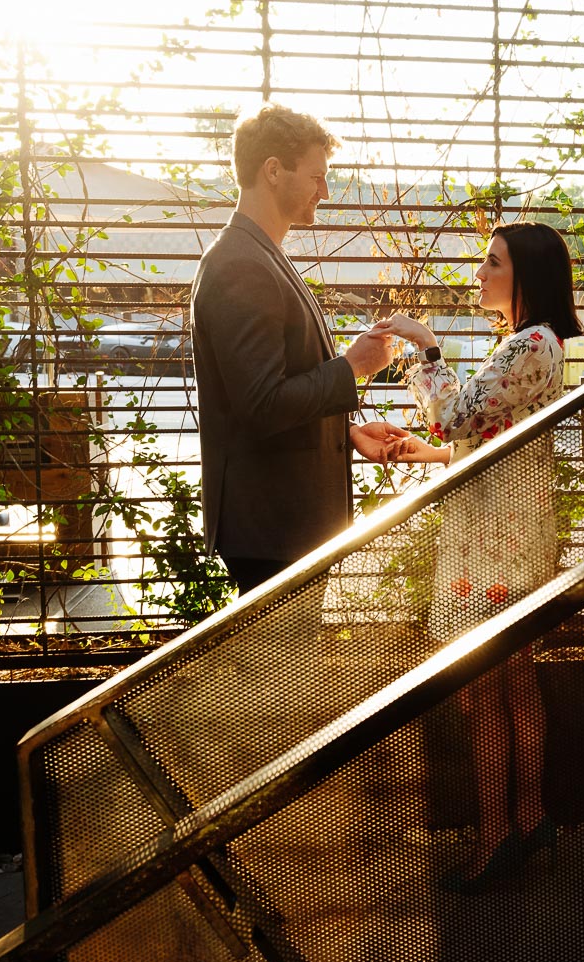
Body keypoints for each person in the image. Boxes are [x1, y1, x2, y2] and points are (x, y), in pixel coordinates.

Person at [361, 221, 578, 892]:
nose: (478, 274)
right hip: (508, 536)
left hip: (494, 546)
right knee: (512, 684)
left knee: (485, 694)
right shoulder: (530, 346)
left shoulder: (529, 344)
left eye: (491, 263)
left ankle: (495, 840)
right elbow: (484, 440)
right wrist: (419, 452)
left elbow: (452, 419)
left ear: (526, 277)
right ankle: (527, 819)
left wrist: (425, 347)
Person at [191, 103, 406, 594]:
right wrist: (351, 369)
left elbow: (272, 391)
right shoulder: (241, 266)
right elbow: (262, 405)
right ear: (272, 170)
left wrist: (344, 430)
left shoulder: (259, 255)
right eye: (316, 176)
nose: (325, 191)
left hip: (283, 527)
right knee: (279, 668)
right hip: (274, 529)